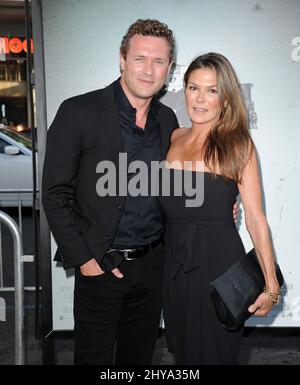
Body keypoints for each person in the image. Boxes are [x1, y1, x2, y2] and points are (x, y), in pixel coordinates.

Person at [42, 20, 238, 365]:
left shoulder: (168, 123)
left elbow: (175, 185)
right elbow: (55, 194)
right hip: (100, 265)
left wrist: (219, 203)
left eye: (159, 61)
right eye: (140, 59)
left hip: (154, 268)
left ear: (169, 68)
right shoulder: (79, 111)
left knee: (139, 359)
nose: (149, 70)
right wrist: (87, 262)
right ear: (122, 59)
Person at [158, 52, 280, 365]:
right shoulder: (172, 138)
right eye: (193, 87)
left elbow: (255, 218)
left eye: (212, 90)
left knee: (215, 354)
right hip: (174, 264)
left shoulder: (237, 144)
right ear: (183, 89)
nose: (200, 99)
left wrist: (271, 285)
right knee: (184, 354)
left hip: (218, 265)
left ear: (224, 98)